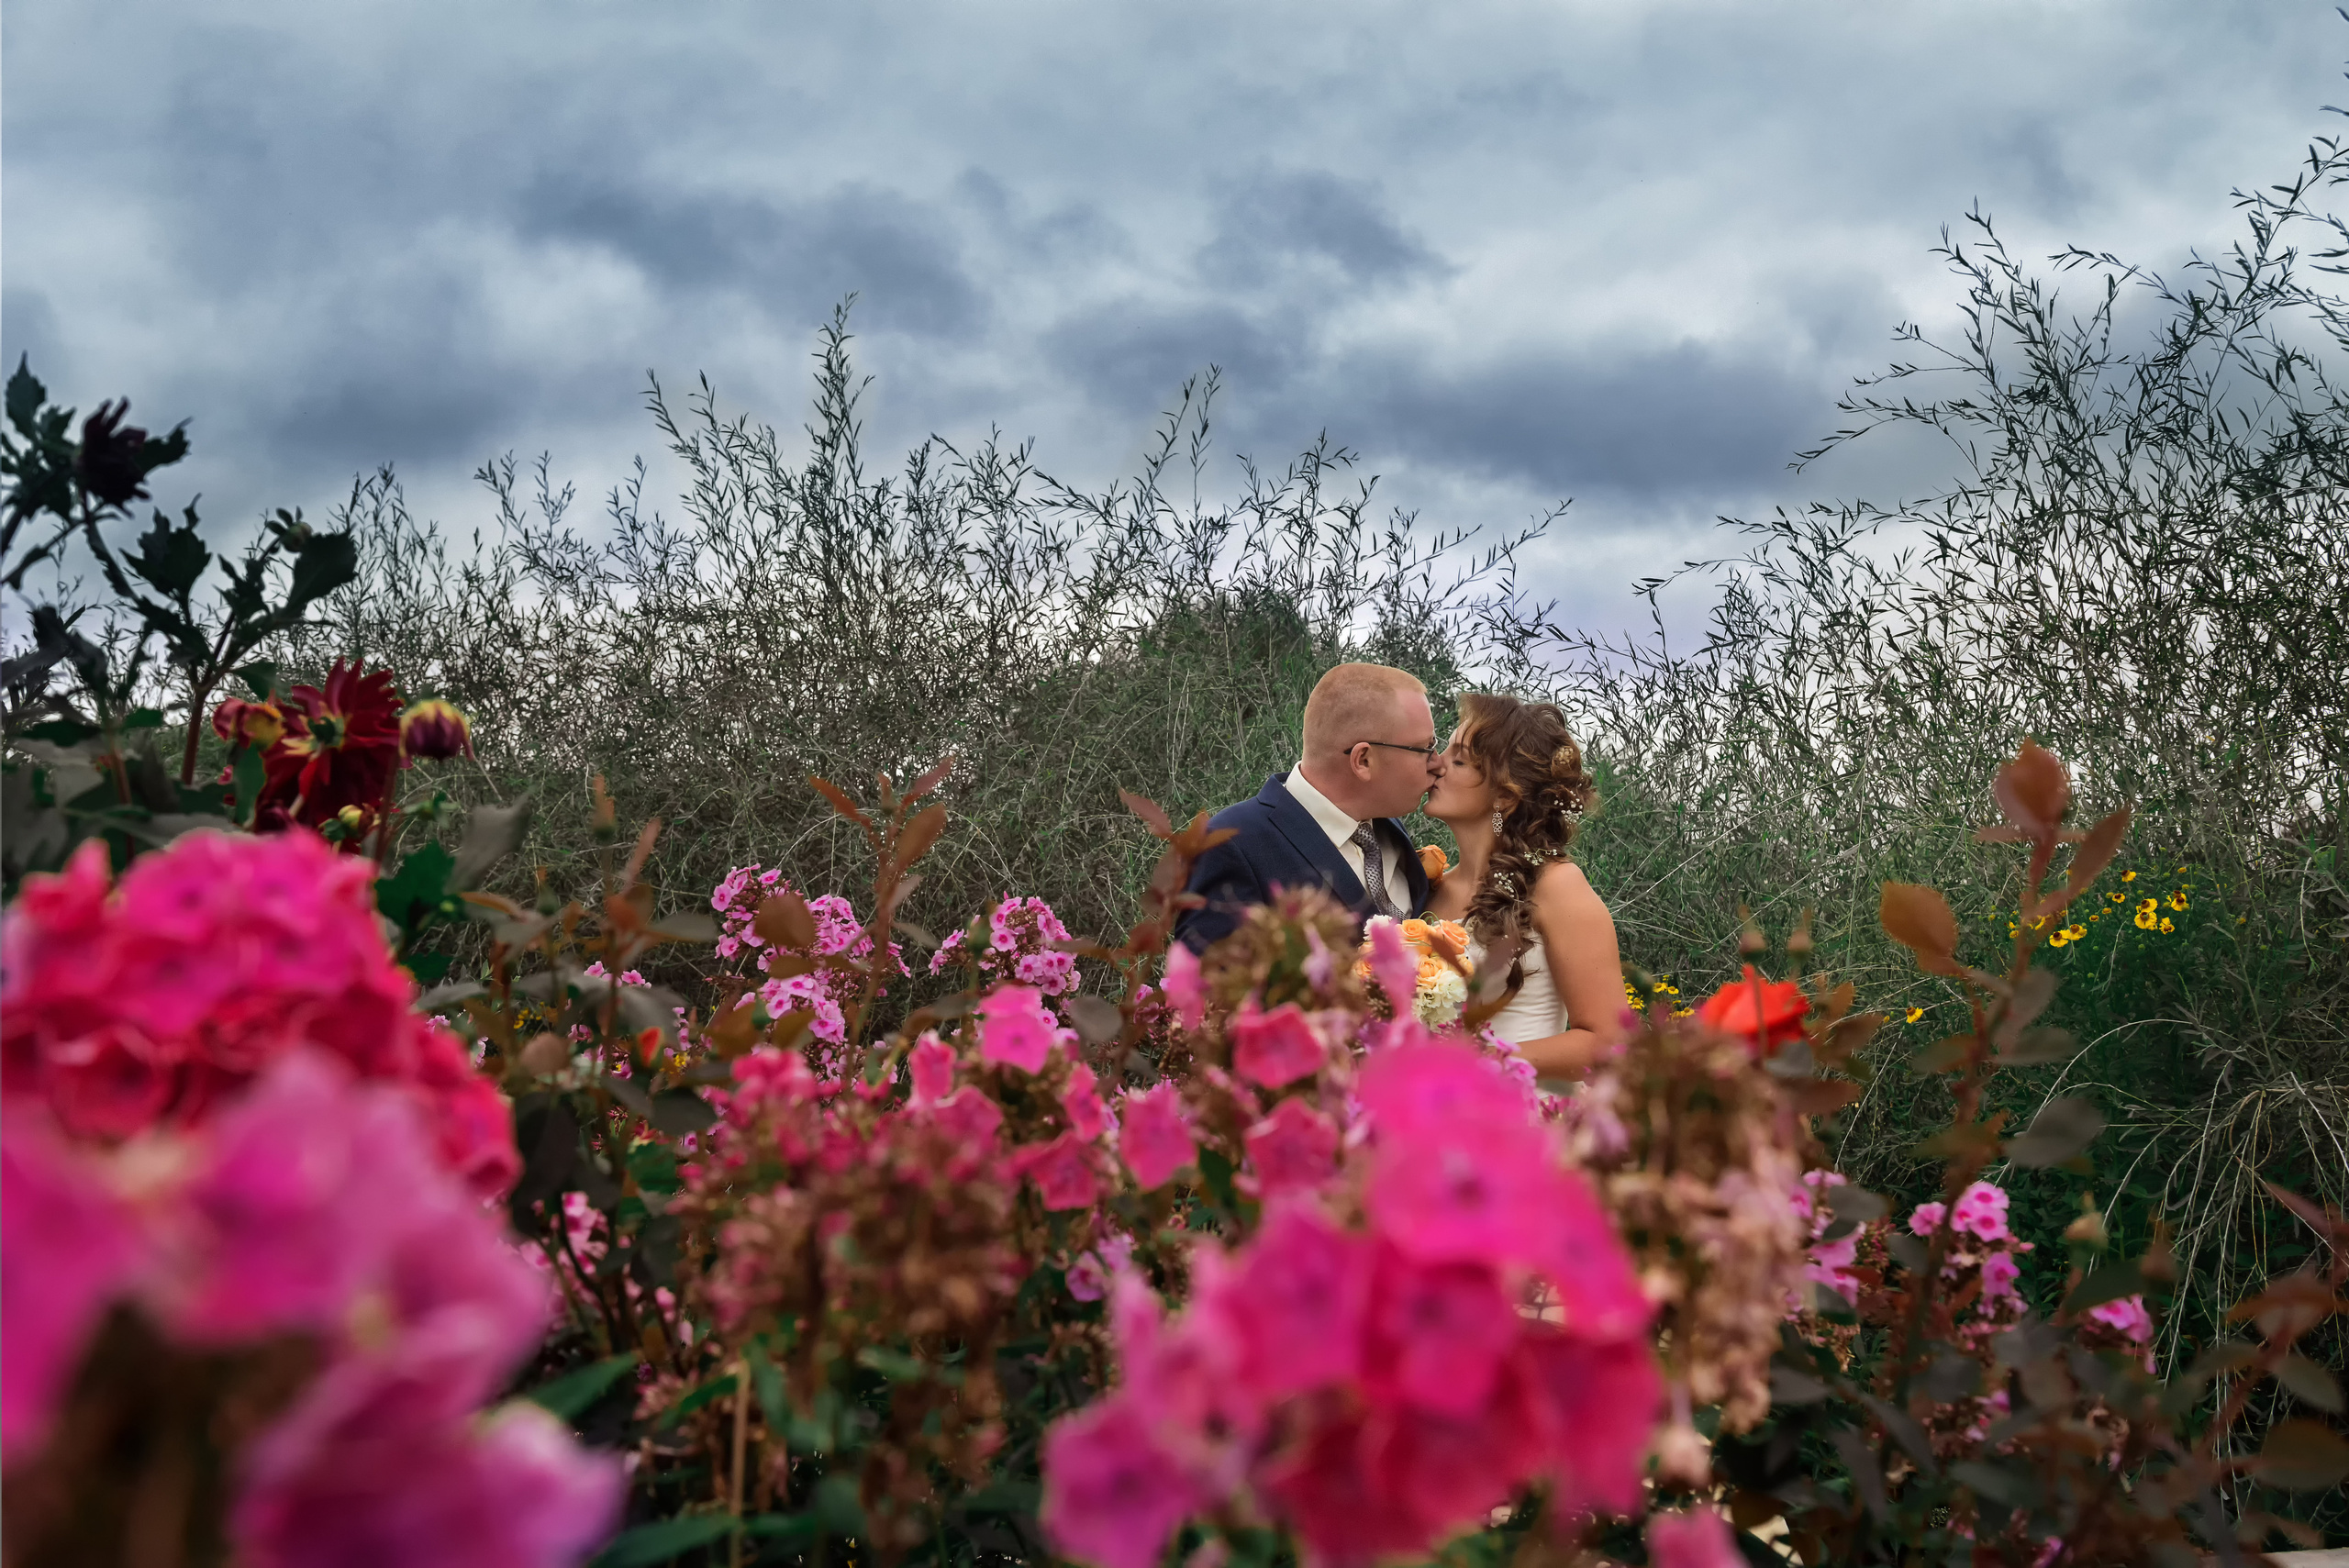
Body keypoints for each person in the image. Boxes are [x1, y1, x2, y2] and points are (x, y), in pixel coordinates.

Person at [1420, 692, 1622, 1078]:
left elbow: (1608, 1042)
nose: (1435, 764)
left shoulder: (1556, 886)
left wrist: (1477, 1062)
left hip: (1522, 1106)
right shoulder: (1429, 887)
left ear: (1503, 796)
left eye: (1458, 760)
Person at [1174, 662, 1444, 952]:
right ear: (1363, 760)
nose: (1438, 763)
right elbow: (1206, 978)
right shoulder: (1230, 844)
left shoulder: (1388, 828)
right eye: (1425, 748)